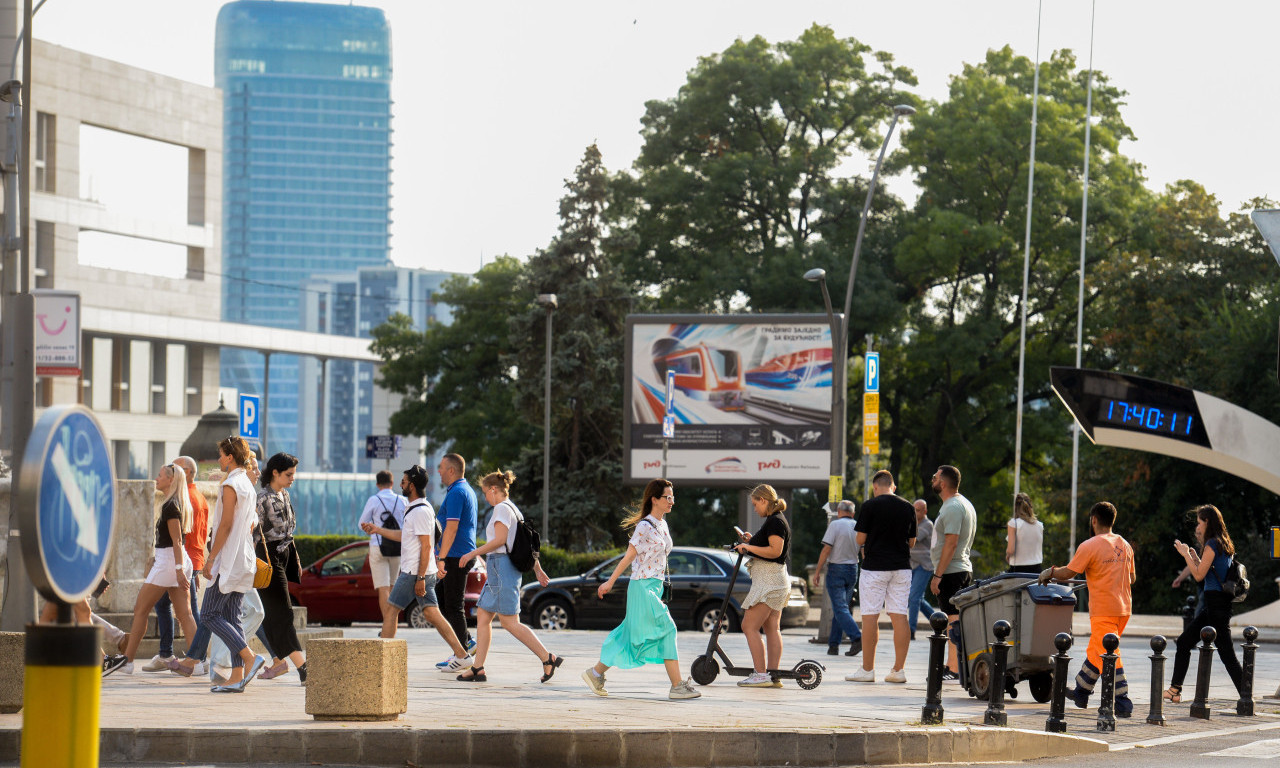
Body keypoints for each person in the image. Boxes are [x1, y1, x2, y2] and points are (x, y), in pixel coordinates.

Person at [580, 478, 699, 700]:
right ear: (654, 499)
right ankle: (677, 686)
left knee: (629, 636)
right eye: (668, 497)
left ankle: (595, 673)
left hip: (654, 587)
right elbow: (629, 556)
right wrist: (610, 582)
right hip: (642, 587)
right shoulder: (644, 526)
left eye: (673, 497)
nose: (672, 501)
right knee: (668, 628)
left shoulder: (662, 524)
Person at [171, 436, 267, 692]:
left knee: (211, 614)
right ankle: (236, 677)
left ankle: (248, 657)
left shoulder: (232, 484)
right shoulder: (247, 484)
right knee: (232, 617)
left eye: (222, 455)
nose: (219, 459)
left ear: (231, 457)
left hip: (228, 560)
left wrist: (211, 559)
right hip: (243, 559)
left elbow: (224, 525)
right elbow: (251, 522)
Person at [364, 464, 474, 670]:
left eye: (404, 482)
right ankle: (463, 655)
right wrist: (377, 529)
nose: (400, 484)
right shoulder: (415, 508)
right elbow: (404, 536)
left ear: (412, 486)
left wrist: (421, 578)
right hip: (419, 572)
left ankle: (381, 664)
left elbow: (426, 546)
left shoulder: (421, 511)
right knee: (432, 614)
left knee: (390, 611)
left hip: (414, 573)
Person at [456, 470, 559, 682]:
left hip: (501, 568)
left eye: (485, 492)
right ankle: (478, 668)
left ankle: (547, 658)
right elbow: (524, 545)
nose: (485, 497)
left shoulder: (501, 509)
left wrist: (472, 553)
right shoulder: (514, 509)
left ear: (494, 490)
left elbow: (500, 540)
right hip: (501, 569)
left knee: (510, 622)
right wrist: (537, 570)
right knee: (484, 617)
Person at [1038, 501, 1136, 716]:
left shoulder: (1089, 545)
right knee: (1097, 650)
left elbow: (1069, 573)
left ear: (1093, 520)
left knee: (1110, 653)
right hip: (1124, 608)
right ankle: (1082, 691)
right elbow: (1132, 577)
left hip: (1103, 609)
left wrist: (1050, 572)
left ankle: (1122, 701)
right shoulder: (1125, 544)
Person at [111, 463, 200, 676]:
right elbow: (176, 542)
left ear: (171, 480)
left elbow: (177, 541)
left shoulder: (171, 506)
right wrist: (178, 568)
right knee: (185, 615)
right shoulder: (175, 503)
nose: (156, 478)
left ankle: (128, 661)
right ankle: (197, 663)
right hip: (173, 561)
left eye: (160, 475)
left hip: (170, 562)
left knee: (140, 610)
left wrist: (178, 569)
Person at [1164, 504, 1245, 704]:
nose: (1198, 525)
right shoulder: (1223, 543)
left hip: (1216, 605)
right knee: (1185, 642)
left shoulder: (1212, 544)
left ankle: (1247, 695)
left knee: (1227, 654)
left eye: (1200, 521)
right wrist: (1194, 557)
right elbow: (1207, 570)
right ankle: (1175, 690)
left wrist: (1184, 554)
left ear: (1207, 521)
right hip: (1216, 605)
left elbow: (1199, 576)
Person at [847, 470, 916, 684]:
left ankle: (868, 670)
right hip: (901, 568)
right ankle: (898, 670)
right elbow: (912, 542)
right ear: (893, 486)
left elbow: (859, 538)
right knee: (899, 616)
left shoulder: (870, 506)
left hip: (874, 567)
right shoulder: (908, 507)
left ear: (876, 487)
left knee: (870, 616)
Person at [141, 455, 209, 672]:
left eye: (174, 468)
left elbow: (180, 537)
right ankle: (188, 657)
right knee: (183, 609)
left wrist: (182, 567)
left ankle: (190, 657)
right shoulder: (200, 497)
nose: (169, 471)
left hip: (180, 561)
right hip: (190, 559)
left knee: (186, 611)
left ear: (185, 473)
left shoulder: (183, 497)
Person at [733, 484, 792, 689]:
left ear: (764, 501)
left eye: (755, 504)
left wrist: (748, 547)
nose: (755, 508)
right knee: (771, 628)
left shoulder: (775, 521)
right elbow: (766, 546)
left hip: (769, 582)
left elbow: (775, 551)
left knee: (748, 626)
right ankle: (773, 674)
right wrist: (751, 541)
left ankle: (760, 674)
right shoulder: (774, 521)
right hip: (775, 580)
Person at [254, 452, 307, 683]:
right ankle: (303, 667)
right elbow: (255, 535)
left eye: (293, 474)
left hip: (284, 557)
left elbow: (288, 532)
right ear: (274, 472)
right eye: (288, 474)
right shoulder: (262, 498)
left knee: (270, 615)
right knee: (282, 614)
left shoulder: (283, 494)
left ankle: (279, 661)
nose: (292, 478)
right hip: (269, 559)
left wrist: (295, 559)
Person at [928, 465, 975, 681]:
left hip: (952, 571)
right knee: (952, 619)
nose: (933, 479)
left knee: (952, 620)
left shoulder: (953, 506)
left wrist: (938, 575)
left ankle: (954, 669)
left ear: (943, 483)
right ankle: (951, 665)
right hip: (957, 569)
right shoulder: (959, 503)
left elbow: (951, 542)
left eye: (935, 477)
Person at [434, 453, 479, 667]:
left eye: (441, 467)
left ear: (451, 470)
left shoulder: (457, 492)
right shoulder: (462, 490)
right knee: (441, 602)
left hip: (455, 556)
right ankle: (466, 643)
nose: (439, 471)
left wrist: (441, 558)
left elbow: (451, 528)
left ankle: (462, 655)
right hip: (457, 554)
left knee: (453, 606)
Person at [358, 470, 406, 638]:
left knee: (383, 589)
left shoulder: (374, 499)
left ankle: (388, 628)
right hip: (398, 547)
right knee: (393, 588)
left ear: (377, 484)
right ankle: (392, 627)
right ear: (392, 483)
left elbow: (361, 523)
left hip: (378, 547)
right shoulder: (402, 500)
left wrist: (371, 528)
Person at [813, 500, 861, 657]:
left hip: (836, 569)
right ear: (852, 513)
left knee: (840, 609)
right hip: (853, 569)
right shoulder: (858, 525)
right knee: (841, 609)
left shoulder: (835, 525)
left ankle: (857, 637)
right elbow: (863, 550)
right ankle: (833, 645)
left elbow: (826, 549)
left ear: (839, 512)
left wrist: (817, 571)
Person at [907, 499, 936, 641]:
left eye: (918, 510)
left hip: (924, 566)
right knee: (918, 598)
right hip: (912, 565)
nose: (915, 512)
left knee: (913, 597)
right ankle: (938, 621)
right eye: (914, 509)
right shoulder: (912, 523)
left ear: (925, 511)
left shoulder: (927, 524)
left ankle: (911, 631)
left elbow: (914, 539)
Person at [1005, 492, 1044, 574]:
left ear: (1016, 507)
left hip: (1018, 569)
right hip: (1037, 570)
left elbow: (1011, 550)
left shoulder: (1013, 523)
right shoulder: (1040, 525)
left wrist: (1008, 555)